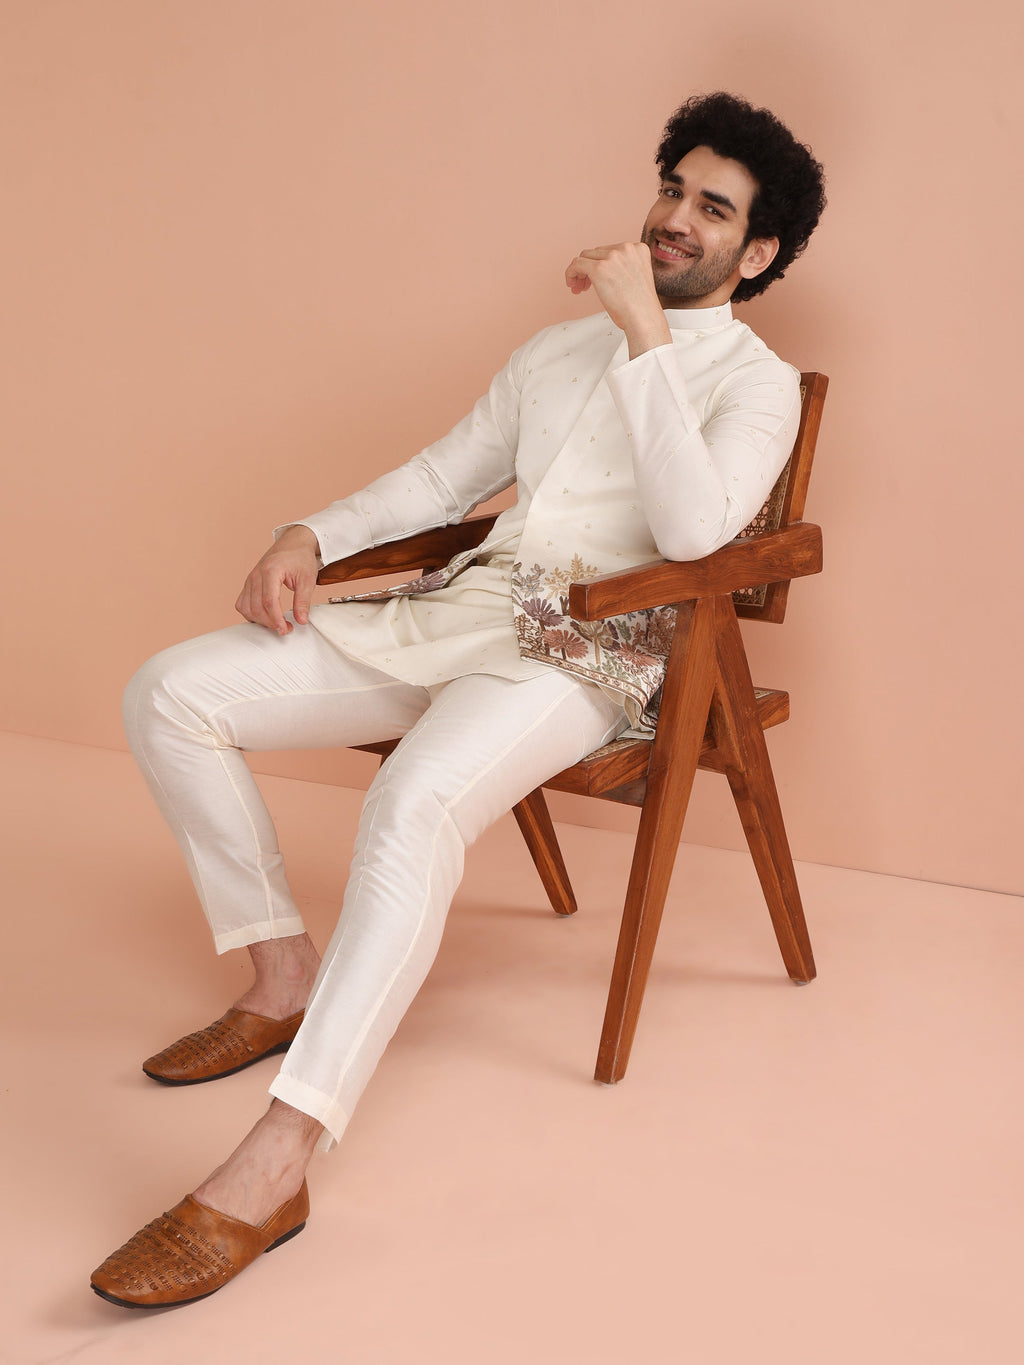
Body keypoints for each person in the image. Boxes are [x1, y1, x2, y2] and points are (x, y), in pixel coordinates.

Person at [90, 91, 825, 1308]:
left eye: (713, 209)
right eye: (671, 190)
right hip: (469, 606)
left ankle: (278, 1161)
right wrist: (308, 532)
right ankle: (281, 978)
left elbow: (697, 532)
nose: (673, 220)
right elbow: (446, 473)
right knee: (170, 690)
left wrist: (645, 335)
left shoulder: (758, 387)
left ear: (756, 255)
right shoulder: (555, 347)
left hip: (598, 653)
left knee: (413, 802)